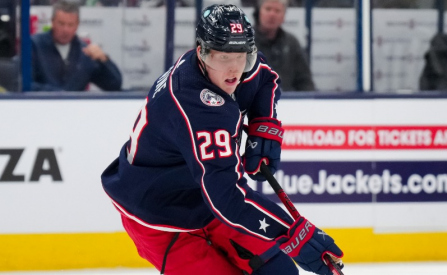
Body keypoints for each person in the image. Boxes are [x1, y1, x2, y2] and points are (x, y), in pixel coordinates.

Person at [101, 4, 343, 275]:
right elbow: (228, 198)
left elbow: (266, 78)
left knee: (280, 271)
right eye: (223, 57)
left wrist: (264, 125)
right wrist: (292, 233)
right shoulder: (198, 106)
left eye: (241, 57)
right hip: (159, 216)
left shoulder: (235, 65)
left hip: (205, 199)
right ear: (202, 52)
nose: (234, 71)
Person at [31, 0, 122, 91]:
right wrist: (58, 95)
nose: (65, 30)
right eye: (61, 23)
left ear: (77, 25)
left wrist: (104, 60)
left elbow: (115, 85)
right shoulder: (34, 45)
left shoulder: (85, 53)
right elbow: (21, 83)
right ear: (52, 22)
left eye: (70, 25)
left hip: (76, 105)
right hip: (43, 104)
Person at [252, 0, 315, 91]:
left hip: (288, 101)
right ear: (259, 12)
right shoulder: (244, 43)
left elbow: (305, 82)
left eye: (277, 11)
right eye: (268, 9)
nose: (272, 14)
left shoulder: (292, 43)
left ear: (283, 17)